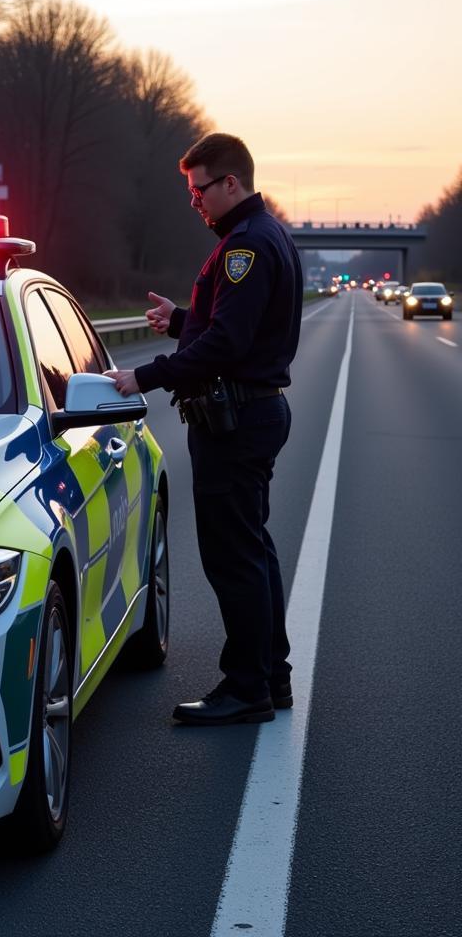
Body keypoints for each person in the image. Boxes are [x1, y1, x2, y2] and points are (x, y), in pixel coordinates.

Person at [106, 132, 302, 725]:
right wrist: (182, 321)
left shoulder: (245, 248)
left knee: (233, 558)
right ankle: (271, 675)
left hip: (236, 420)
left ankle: (247, 689)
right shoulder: (262, 238)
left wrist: (146, 376)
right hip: (249, 412)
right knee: (252, 549)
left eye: (199, 191)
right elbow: (236, 326)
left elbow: (229, 342)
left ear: (231, 183)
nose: (195, 203)